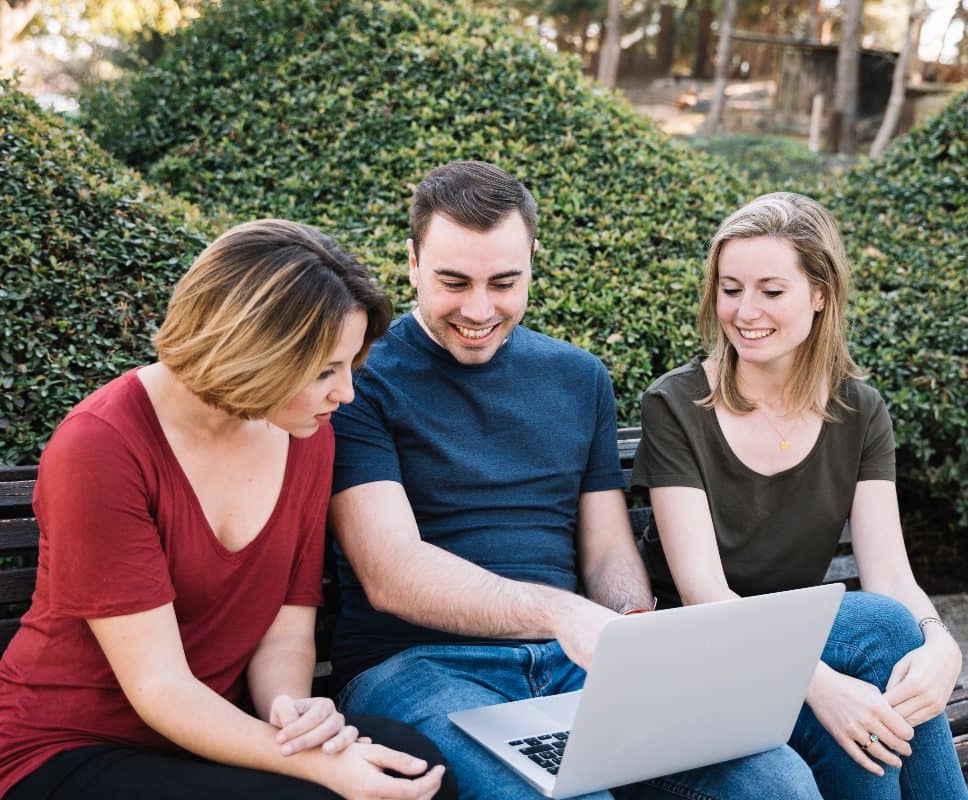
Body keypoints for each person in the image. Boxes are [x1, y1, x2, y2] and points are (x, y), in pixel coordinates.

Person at [328, 161, 824, 800]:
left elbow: (607, 549)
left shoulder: (577, 378)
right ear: (413, 263)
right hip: (420, 667)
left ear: (534, 260)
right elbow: (390, 571)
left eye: (504, 282)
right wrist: (559, 612)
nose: (479, 310)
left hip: (578, 667)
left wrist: (631, 623)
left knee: (773, 782)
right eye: (454, 282)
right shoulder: (360, 381)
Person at [0, 220, 453, 800]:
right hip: (60, 753)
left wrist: (291, 718)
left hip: (205, 741)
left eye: (350, 367)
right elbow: (159, 686)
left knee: (409, 762)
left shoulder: (307, 435)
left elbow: (286, 631)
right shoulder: (101, 445)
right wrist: (314, 767)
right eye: (323, 372)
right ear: (253, 356)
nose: (345, 394)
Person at [631, 191, 967, 800]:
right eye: (730, 289)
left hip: (801, 651)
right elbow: (702, 591)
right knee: (878, 640)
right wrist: (818, 683)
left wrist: (942, 645)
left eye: (770, 290)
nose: (745, 311)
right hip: (704, 654)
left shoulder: (858, 411)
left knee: (890, 666)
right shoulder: (675, 404)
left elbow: (889, 570)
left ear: (820, 294)